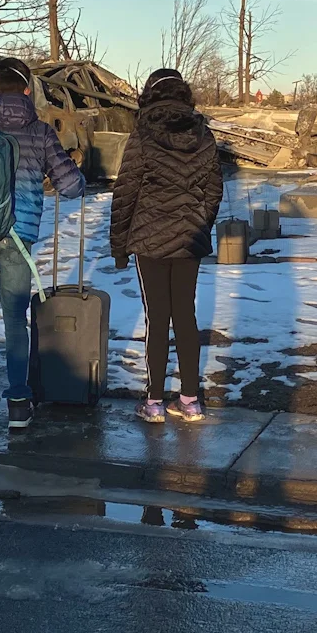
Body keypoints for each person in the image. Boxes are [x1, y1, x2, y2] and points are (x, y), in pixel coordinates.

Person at [0, 58, 86, 431]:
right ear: (27, 91)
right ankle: (19, 405)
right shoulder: (40, 131)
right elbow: (71, 186)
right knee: (14, 319)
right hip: (19, 237)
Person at [109, 69, 224, 423]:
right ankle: (190, 399)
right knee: (185, 316)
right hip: (189, 241)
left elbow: (125, 193)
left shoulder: (143, 135)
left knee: (157, 319)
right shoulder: (204, 137)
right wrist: (198, 224)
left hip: (149, 239)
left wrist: (119, 244)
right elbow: (214, 190)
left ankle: (155, 401)